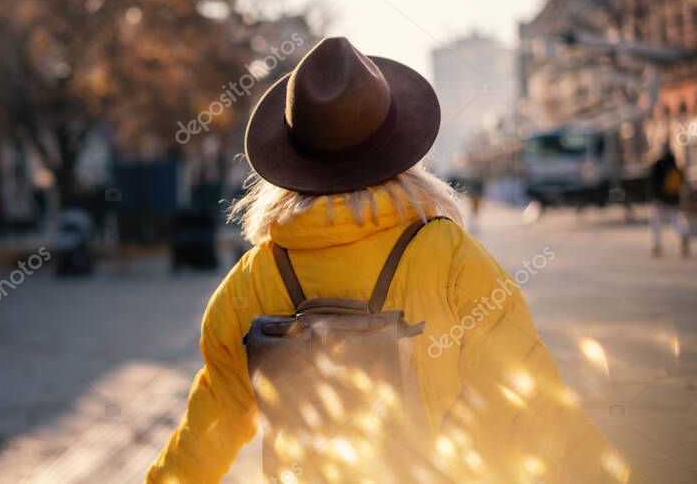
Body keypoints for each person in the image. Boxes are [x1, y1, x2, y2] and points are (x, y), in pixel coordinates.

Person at [145, 37, 641, 483]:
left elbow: (208, 430)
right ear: (398, 148)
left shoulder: (250, 281)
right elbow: (533, 403)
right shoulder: (444, 254)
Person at [648, 143, 689, 257]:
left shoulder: (658, 165)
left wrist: (654, 197)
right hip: (673, 199)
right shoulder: (675, 165)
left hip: (660, 199)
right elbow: (681, 181)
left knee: (656, 221)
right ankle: (683, 235)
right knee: (675, 220)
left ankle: (656, 244)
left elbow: (654, 183)